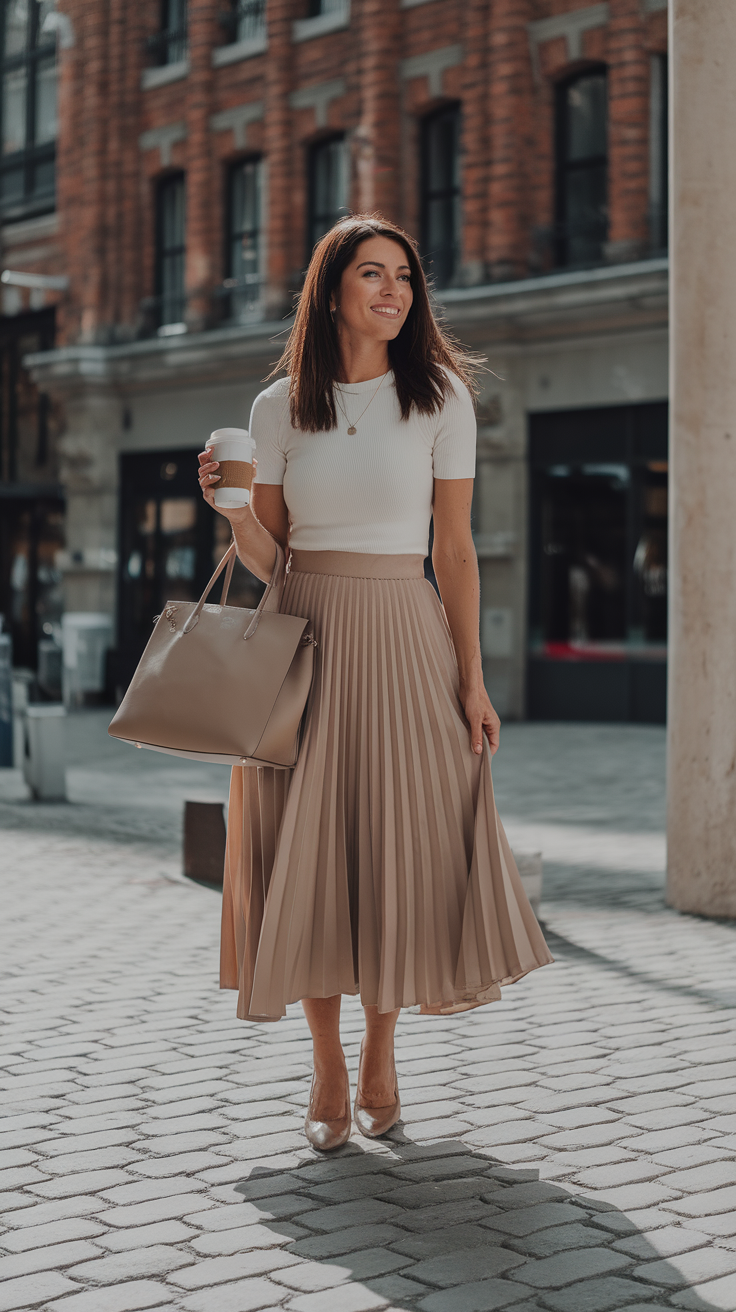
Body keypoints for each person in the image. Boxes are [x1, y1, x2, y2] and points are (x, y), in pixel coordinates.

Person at [197, 214, 552, 1151]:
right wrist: (229, 512)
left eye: (404, 276)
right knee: (304, 848)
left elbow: (457, 550)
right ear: (333, 288)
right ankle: (325, 1068)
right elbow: (270, 556)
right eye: (372, 274)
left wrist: (472, 681)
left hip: (405, 634)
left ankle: (383, 1058)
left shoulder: (441, 399)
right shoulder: (279, 407)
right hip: (301, 632)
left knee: (398, 845)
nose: (393, 291)